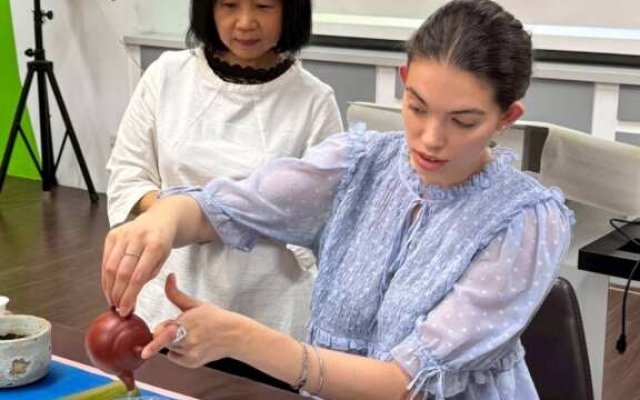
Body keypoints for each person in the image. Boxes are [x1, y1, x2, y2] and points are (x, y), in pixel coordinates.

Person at [102, 0, 574, 398]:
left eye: (463, 121)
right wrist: (167, 218)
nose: (431, 138)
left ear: (507, 116)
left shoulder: (524, 221)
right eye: (416, 107)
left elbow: (404, 385)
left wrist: (242, 339)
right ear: (404, 79)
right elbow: (231, 207)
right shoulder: (357, 163)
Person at [107, 0, 342, 350]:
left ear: (290, 10)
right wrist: (178, 219)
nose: (245, 22)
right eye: (229, 5)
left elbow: (319, 221)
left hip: (268, 314)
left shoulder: (314, 100)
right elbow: (128, 176)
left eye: (263, 6)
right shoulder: (167, 75)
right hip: (168, 301)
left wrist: (205, 217)